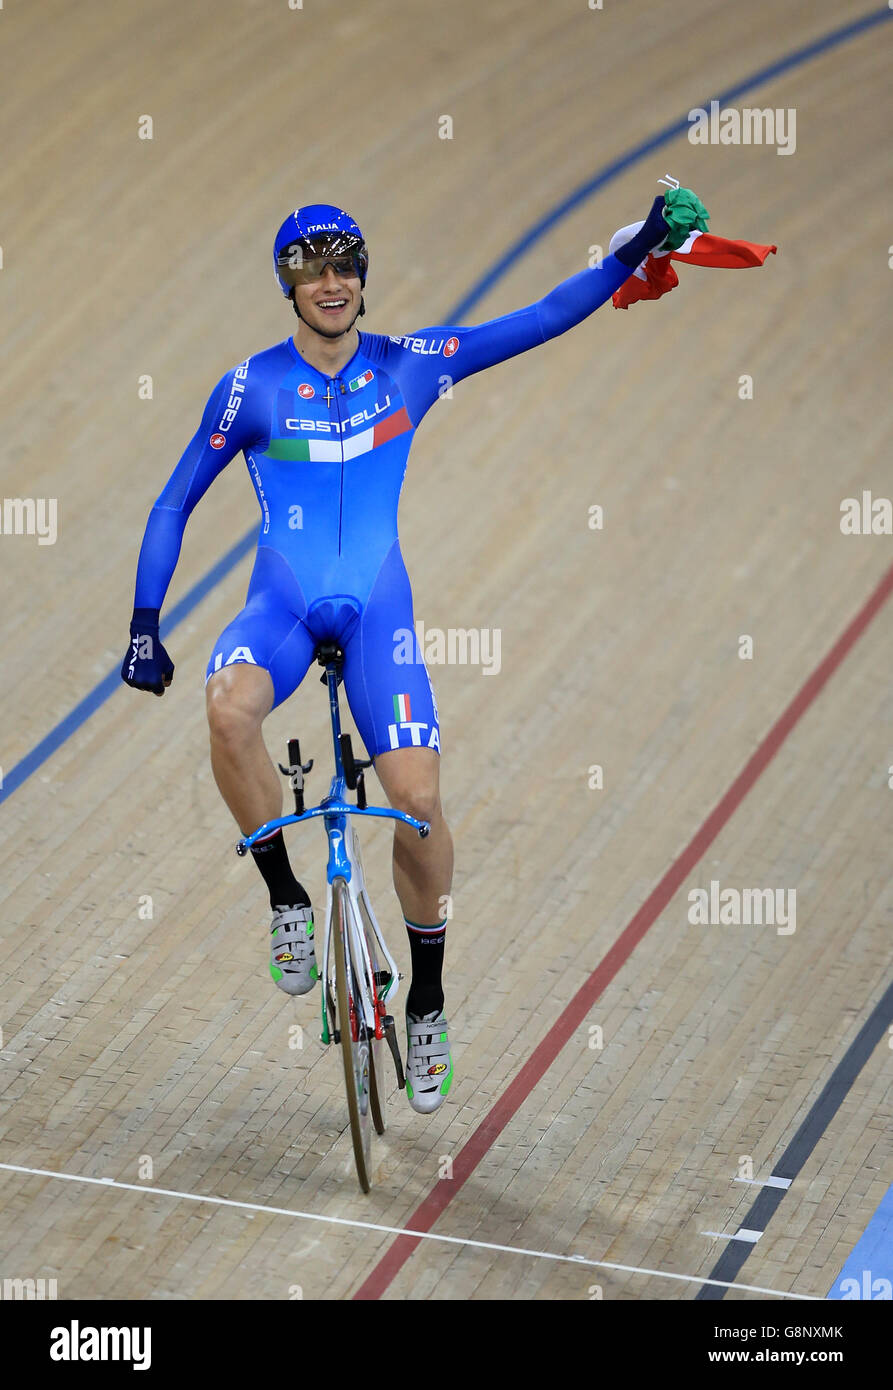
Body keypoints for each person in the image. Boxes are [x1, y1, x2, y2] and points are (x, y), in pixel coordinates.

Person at [121, 192, 692, 1113]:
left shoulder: (414, 364)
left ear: (362, 278)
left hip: (377, 610)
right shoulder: (251, 387)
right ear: (288, 286)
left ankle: (425, 1001)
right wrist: (146, 621)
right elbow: (170, 503)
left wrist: (639, 251)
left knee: (418, 800)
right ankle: (286, 901)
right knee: (226, 710)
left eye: (345, 267)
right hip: (285, 607)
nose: (333, 284)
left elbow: (542, 316)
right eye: (313, 271)